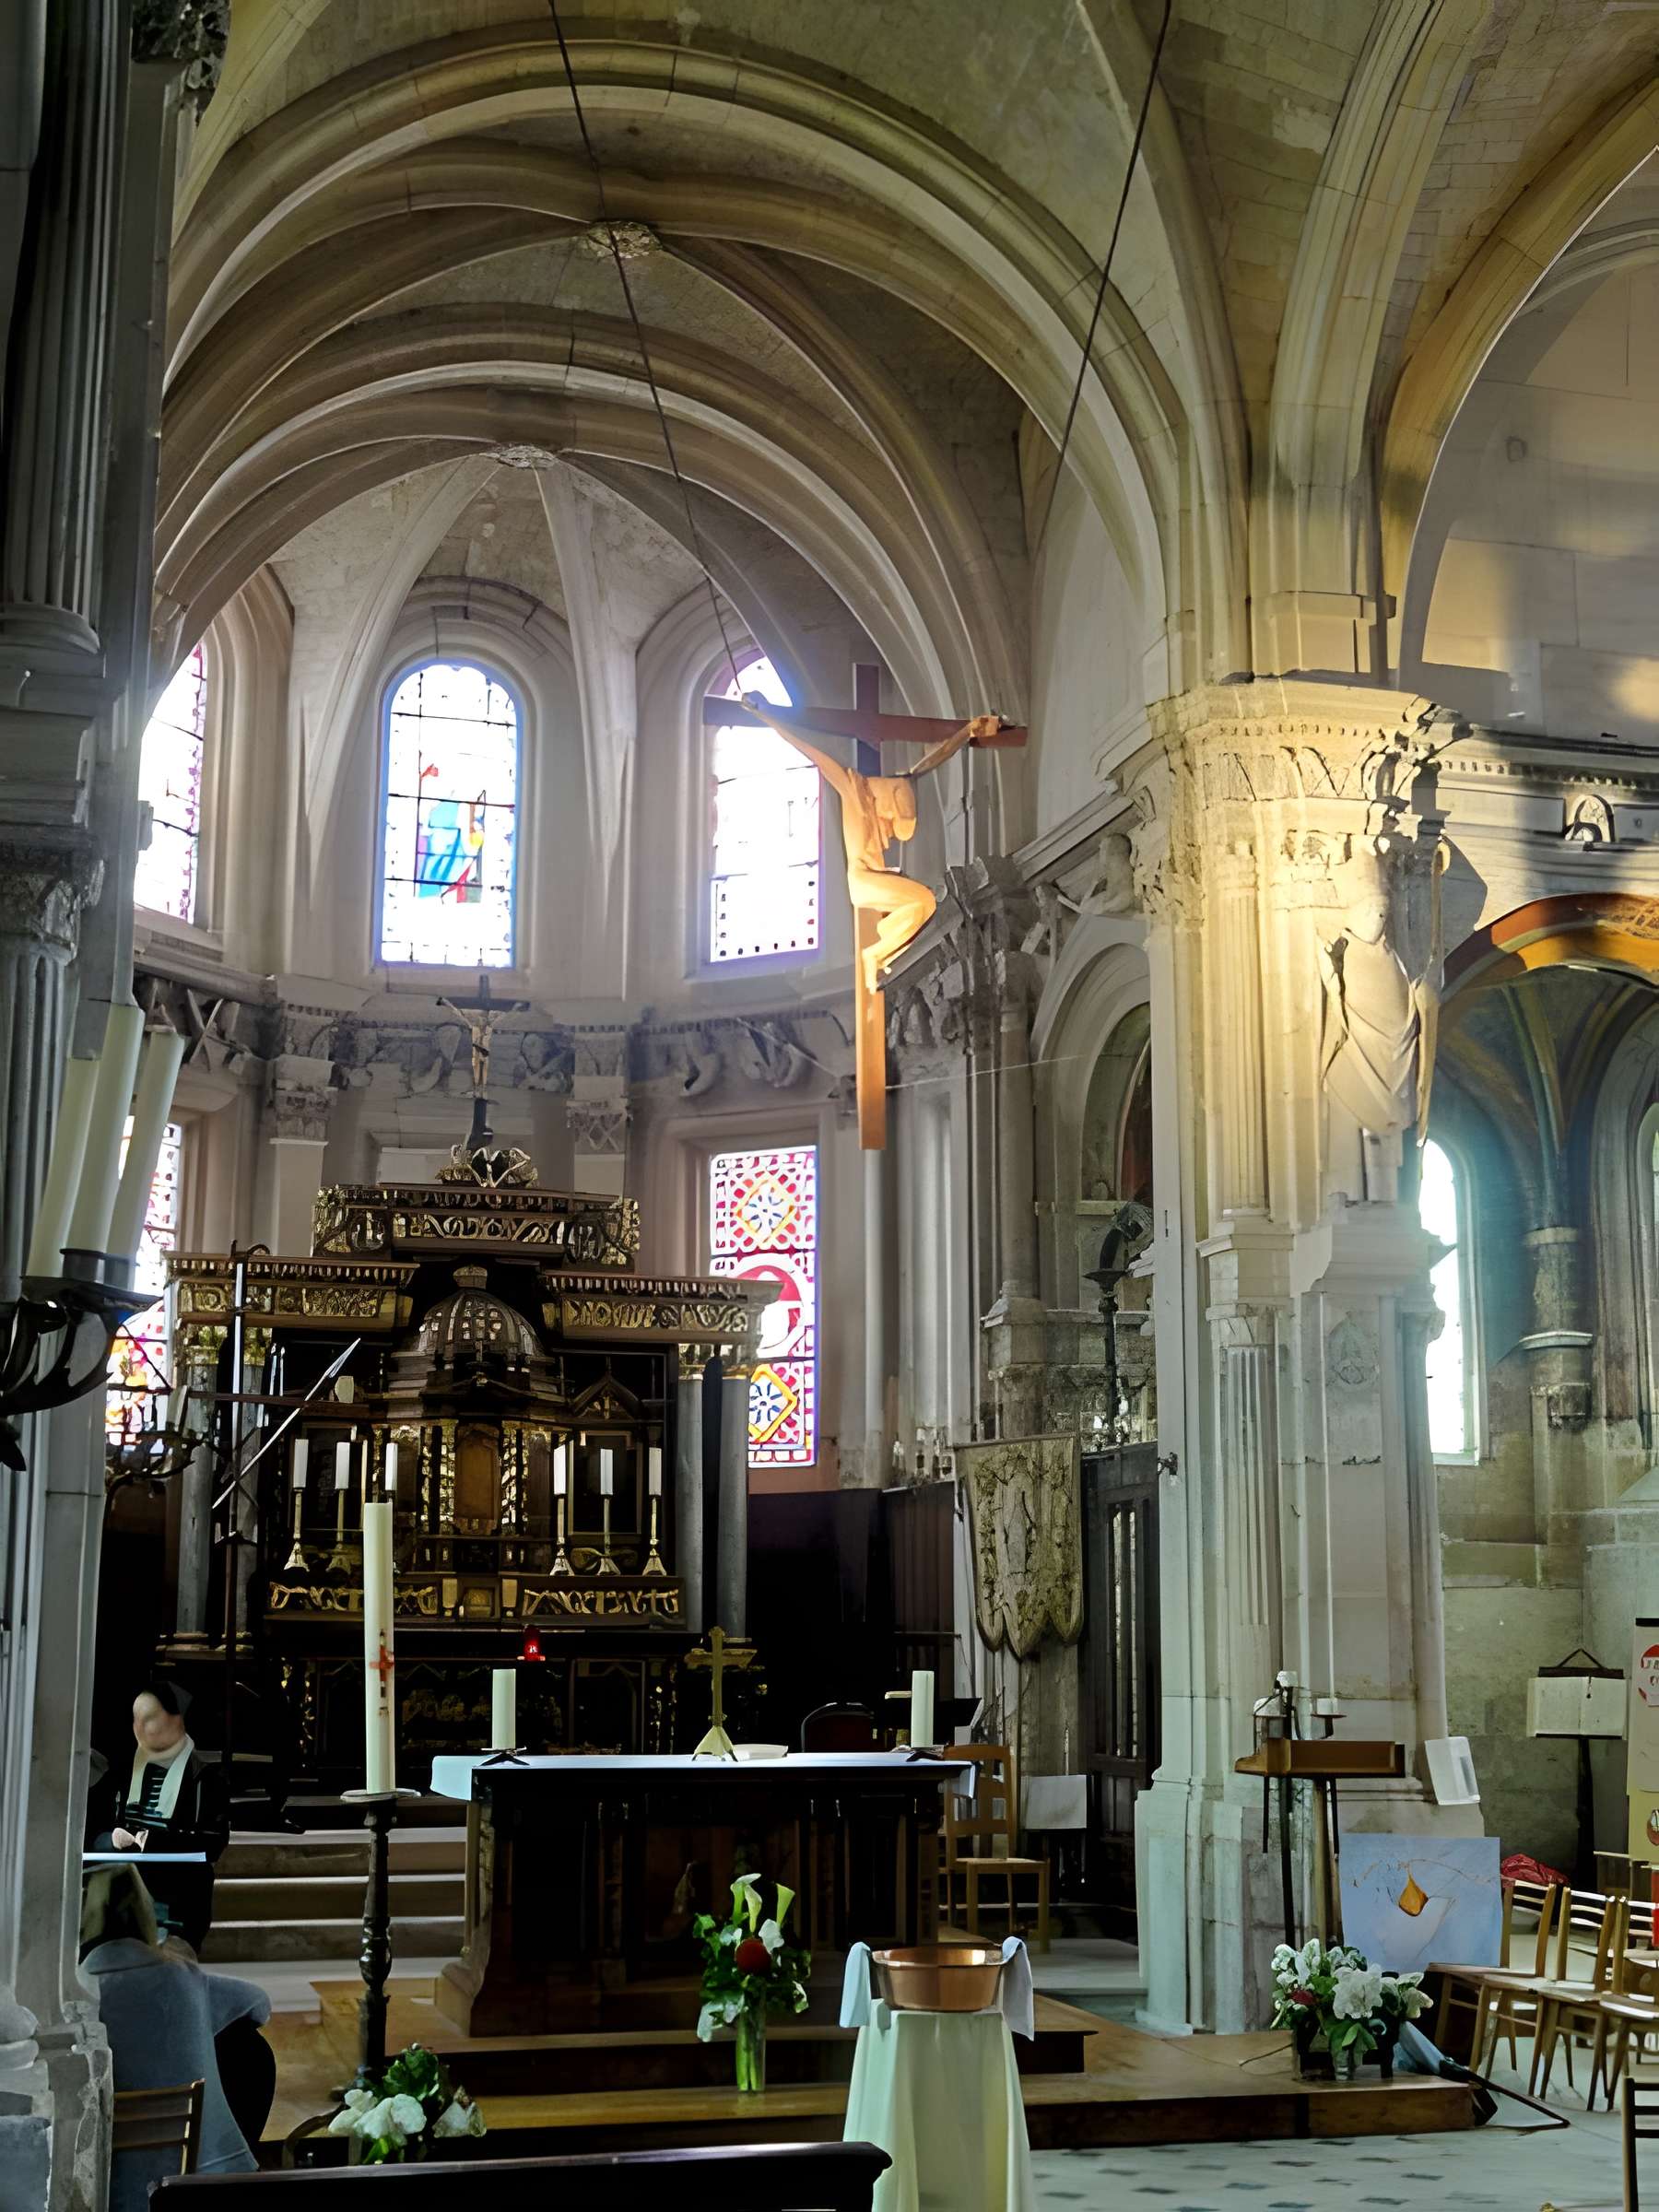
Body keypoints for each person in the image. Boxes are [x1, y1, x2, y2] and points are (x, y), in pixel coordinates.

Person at [80, 1865, 274, 2211]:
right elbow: (257, 2004)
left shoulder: (79, 1992)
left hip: (104, 2176)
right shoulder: (180, 1976)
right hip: (194, 2162)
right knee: (245, 2046)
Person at [90, 1680, 228, 1951]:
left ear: (177, 1722)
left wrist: (149, 1841)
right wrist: (111, 1839)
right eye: (136, 1718)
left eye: (150, 1718)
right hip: (121, 1890)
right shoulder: (121, 1773)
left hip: (173, 1890)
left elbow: (213, 1843)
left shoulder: (205, 1778)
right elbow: (91, 1828)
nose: (140, 1727)